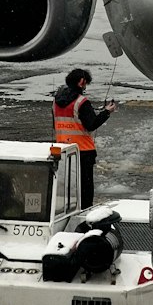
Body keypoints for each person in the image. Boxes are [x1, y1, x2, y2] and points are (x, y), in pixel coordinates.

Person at [52, 68, 117, 208]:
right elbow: (91, 124)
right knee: (85, 188)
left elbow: (56, 124)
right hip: (83, 151)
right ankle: (85, 213)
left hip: (63, 150)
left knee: (66, 187)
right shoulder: (82, 102)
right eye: (86, 84)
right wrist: (106, 112)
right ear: (81, 82)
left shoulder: (56, 102)